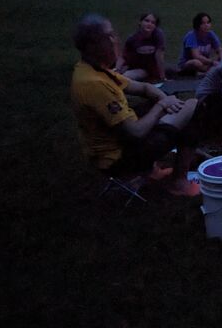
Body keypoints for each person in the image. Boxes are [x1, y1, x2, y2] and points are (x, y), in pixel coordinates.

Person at [70, 14, 200, 196]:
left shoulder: (93, 69)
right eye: (109, 36)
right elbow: (136, 132)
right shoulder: (94, 83)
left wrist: (166, 101)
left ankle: (153, 171)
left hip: (120, 140)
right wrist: (163, 106)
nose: (116, 40)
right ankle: (179, 182)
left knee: (176, 107)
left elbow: (145, 88)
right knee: (192, 109)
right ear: (92, 45)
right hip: (118, 158)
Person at [115, 12, 166, 82]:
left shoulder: (158, 36)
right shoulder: (132, 39)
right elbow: (123, 57)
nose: (149, 24)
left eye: (153, 23)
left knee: (125, 76)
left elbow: (159, 56)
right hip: (134, 65)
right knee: (116, 73)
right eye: (147, 21)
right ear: (140, 22)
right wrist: (116, 69)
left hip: (147, 69)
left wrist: (162, 76)